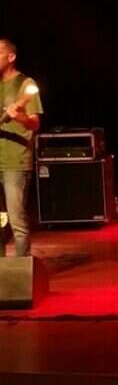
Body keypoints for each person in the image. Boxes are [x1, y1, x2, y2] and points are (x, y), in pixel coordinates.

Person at [0, 39, 42, 257]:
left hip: (15, 162)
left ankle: (20, 269)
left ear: (11, 57)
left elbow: (35, 123)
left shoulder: (25, 84)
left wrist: (19, 117)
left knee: (17, 220)